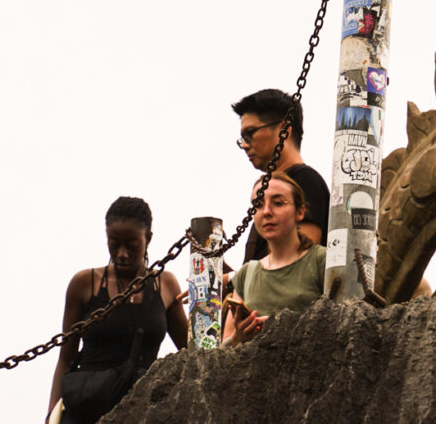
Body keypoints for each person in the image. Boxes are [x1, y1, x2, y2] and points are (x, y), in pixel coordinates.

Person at [47, 197, 188, 424]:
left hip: (144, 410)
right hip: (87, 407)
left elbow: (192, 351)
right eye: (114, 243)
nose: (122, 253)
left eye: (132, 245)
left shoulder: (166, 285)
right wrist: (51, 415)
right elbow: (66, 358)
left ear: (148, 239)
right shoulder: (84, 284)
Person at [222, 172, 327, 347]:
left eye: (278, 203)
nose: (267, 212)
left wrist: (283, 327)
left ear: (300, 211)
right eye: (258, 205)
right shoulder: (247, 273)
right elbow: (224, 351)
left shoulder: (321, 260)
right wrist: (239, 337)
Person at [232, 89, 329, 262]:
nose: (245, 145)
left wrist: (233, 279)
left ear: (284, 130)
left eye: (250, 133)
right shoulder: (269, 191)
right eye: (242, 138)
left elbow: (298, 264)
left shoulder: (305, 181)